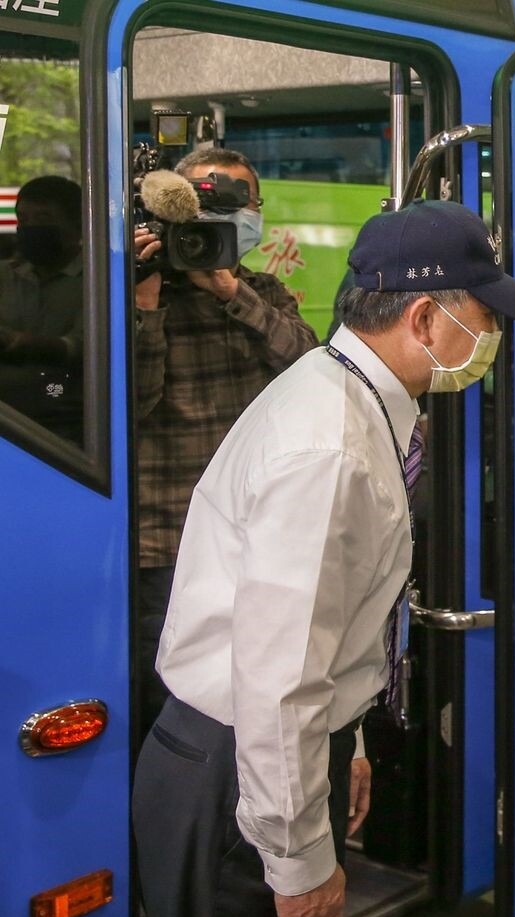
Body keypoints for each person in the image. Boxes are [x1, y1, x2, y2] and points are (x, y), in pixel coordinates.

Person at [132, 199, 515, 917]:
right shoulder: (330, 448)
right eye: (485, 318)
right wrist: (298, 862)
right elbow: (278, 678)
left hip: (260, 758)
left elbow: (325, 628)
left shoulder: (340, 395)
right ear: (424, 317)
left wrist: (345, 738)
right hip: (239, 772)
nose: (491, 338)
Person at [132, 148, 320, 736]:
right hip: (167, 540)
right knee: (172, 706)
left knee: (256, 695)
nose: (224, 218)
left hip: (258, 534)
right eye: (205, 203)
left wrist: (229, 290)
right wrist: (145, 300)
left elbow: (312, 371)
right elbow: (130, 404)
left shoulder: (261, 290)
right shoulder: (137, 291)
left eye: (240, 202)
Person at [0, 175, 84, 442]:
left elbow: (89, 348)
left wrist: (24, 343)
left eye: (44, 219)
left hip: (70, 425)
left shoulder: (98, 280)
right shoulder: (5, 275)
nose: (32, 228)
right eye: (24, 220)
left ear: (77, 225)